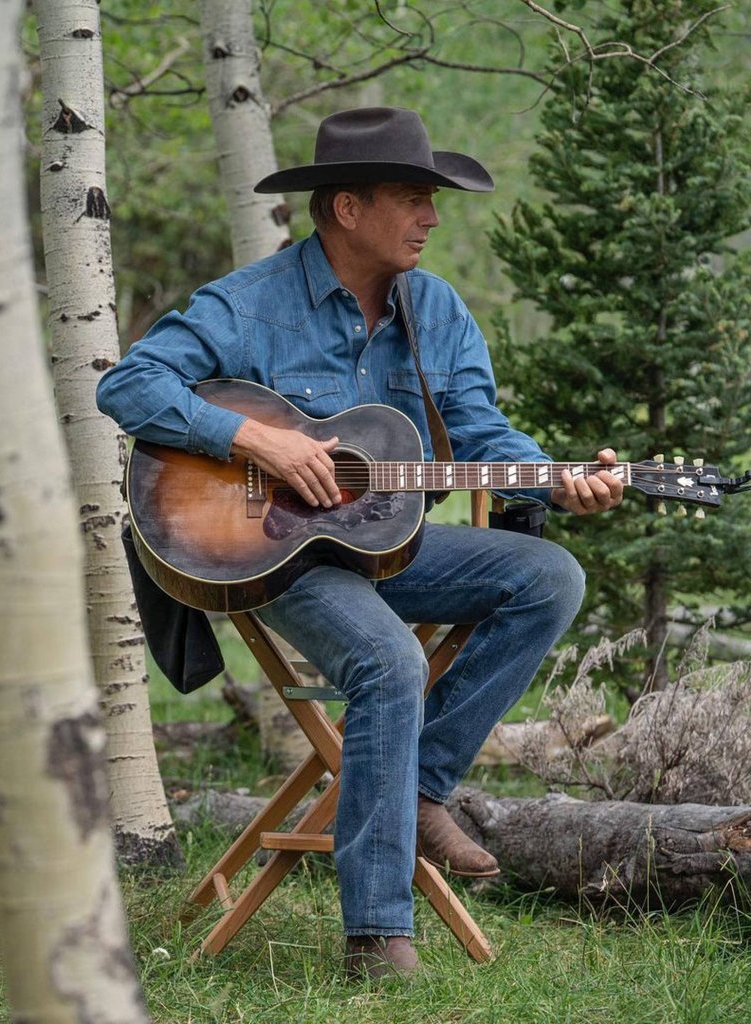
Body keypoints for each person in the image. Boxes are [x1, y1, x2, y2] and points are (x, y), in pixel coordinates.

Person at [96, 107, 623, 980]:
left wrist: (557, 480)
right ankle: (377, 936)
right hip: (271, 555)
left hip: (387, 544)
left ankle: (416, 787)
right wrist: (254, 441)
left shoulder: (436, 309)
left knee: (549, 578)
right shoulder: (250, 305)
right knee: (391, 664)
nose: (432, 217)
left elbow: (481, 431)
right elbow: (130, 384)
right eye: (414, 198)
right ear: (347, 208)